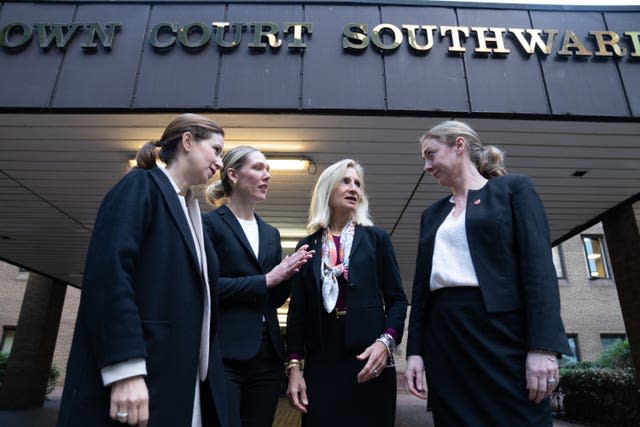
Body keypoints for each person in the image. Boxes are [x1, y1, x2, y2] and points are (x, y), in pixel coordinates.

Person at [57, 114, 228, 427]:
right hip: (140, 378)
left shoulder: (191, 211)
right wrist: (126, 368)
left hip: (178, 382)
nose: (218, 162)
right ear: (188, 141)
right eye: (215, 150)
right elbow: (109, 276)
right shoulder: (139, 186)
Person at [405, 120, 572, 426]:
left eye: (431, 154)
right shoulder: (432, 215)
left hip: (502, 336)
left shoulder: (513, 190)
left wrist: (543, 347)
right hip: (446, 339)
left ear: (459, 146)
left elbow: (539, 272)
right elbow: (420, 290)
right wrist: (414, 352)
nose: (427, 166)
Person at [286, 159, 408, 427]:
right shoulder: (308, 245)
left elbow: (398, 301)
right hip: (322, 362)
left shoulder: (377, 239)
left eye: (358, 184)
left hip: (369, 359)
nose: (354, 188)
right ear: (327, 190)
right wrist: (294, 368)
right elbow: (298, 314)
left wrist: (385, 343)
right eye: (345, 181)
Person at [203, 146, 314, 427]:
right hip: (225, 352)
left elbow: (273, 298)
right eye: (258, 168)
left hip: (267, 356)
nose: (266, 175)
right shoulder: (209, 225)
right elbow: (206, 287)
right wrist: (267, 279)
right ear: (233, 174)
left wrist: (290, 275)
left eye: (268, 170)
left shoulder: (270, 233)